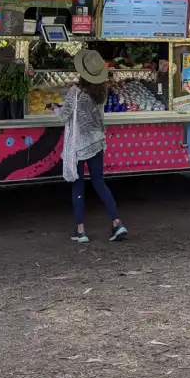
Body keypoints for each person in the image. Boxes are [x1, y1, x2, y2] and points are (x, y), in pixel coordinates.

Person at [53, 49, 127, 243]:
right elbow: (101, 119)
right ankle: (117, 223)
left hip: (79, 144)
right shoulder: (101, 93)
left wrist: (54, 108)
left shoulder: (75, 93)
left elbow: (64, 116)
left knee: (77, 185)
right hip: (97, 141)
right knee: (99, 183)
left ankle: (80, 231)